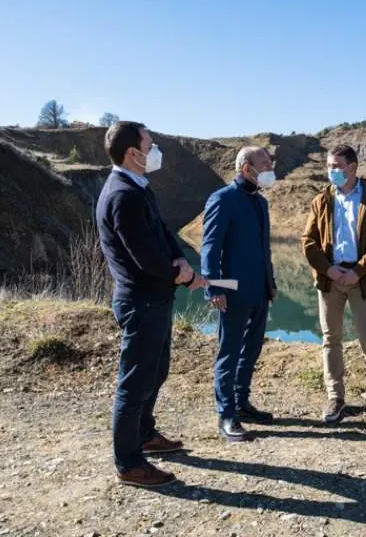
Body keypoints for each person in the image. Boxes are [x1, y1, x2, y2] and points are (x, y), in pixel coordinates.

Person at [96, 121, 207, 487]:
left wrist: (182, 262)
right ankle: (128, 463)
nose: (155, 149)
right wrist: (183, 275)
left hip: (155, 300)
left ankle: (144, 434)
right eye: (150, 144)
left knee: (155, 372)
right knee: (135, 382)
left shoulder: (138, 188)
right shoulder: (122, 195)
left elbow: (162, 236)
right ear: (133, 153)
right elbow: (145, 257)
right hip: (141, 302)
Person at [301, 144, 366, 424]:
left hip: (361, 280)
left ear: (353, 168)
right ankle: (335, 397)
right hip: (330, 280)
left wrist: (359, 271)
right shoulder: (322, 200)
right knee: (331, 339)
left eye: (336, 166)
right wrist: (328, 269)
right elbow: (308, 241)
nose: (331, 171)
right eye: (329, 166)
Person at [200, 146, 278, 442]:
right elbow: (210, 247)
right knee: (229, 353)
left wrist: (270, 283)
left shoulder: (260, 203)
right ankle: (227, 415)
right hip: (232, 292)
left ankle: (241, 403)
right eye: (264, 163)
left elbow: (263, 248)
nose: (270, 167)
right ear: (246, 167)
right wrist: (214, 287)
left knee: (251, 350)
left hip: (259, 290)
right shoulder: (223, 199)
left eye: (270, 163)